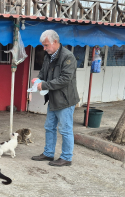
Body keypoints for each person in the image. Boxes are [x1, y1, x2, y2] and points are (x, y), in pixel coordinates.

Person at [31, 30, 79, 166]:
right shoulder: (48, 56)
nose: (44, 48)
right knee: (49, 127)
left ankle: (66, 157)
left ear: (55, 42)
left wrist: (44, 85)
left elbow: (64, 79)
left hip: (65, 100)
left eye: (46, 45)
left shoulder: (68, 57)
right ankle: (48, 153)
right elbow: (43, 72)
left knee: (65, 129)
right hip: (53, 99)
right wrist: (38, 79)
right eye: (43, 46)